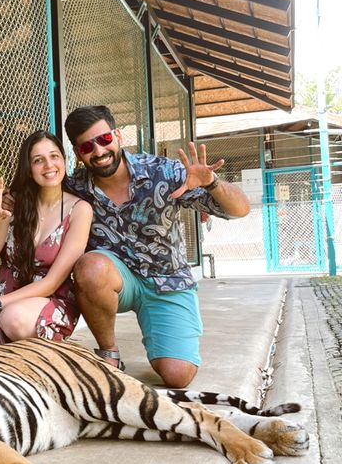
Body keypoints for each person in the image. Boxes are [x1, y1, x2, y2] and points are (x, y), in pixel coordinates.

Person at [63, 104, 250, 389]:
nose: (99, 151)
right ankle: (109, 354)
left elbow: (240, 210)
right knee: (90, 267)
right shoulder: (74, 188)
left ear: (117, 136)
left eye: (104, 139)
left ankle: (163, 337)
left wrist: (211, 183)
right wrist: (10, 202)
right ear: (78, 153)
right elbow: (36, 198)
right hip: (117, 279)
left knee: (178, 375)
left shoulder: (164, 172)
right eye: (87, 146)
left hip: (167, 280)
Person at [0, 131, 92, 349]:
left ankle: (50, 357)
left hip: (48, 301)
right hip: (4, 298)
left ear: (64, 160)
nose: (49, 165)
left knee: (13, 318)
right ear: (29, 170)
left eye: (54, 156)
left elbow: (51, 282)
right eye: (38, 160)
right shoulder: (12, 205)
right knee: (1, 335)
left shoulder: (79, 210)